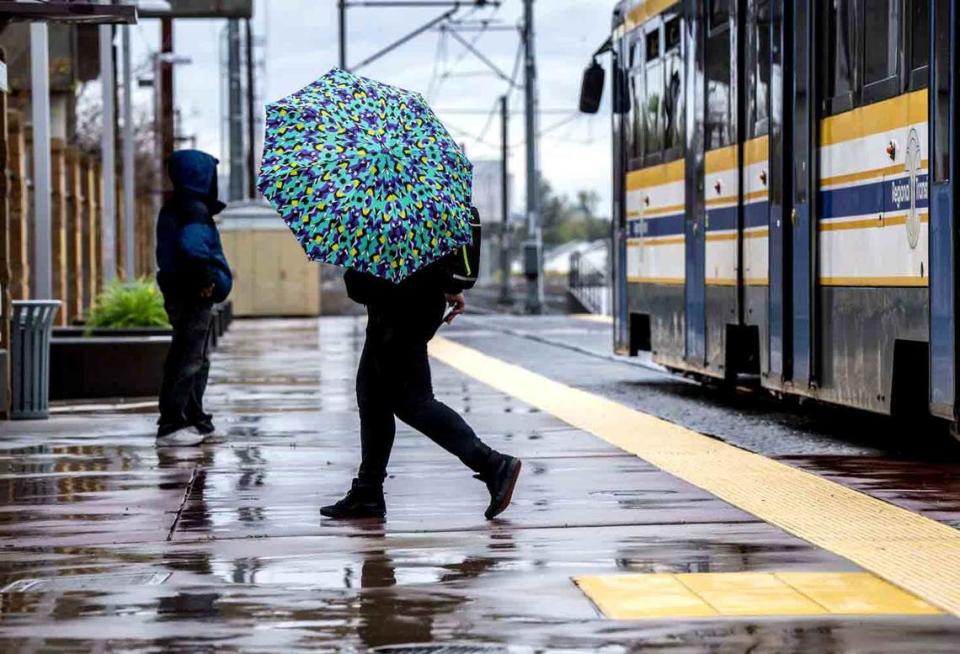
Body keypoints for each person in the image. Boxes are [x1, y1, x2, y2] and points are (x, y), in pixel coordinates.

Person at [321, 230, 522, 521]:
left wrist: (356, 266)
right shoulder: (415, 202)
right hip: (404, 306)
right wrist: (445, 284)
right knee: (373, 396)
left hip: (399, 310)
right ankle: (368, 491)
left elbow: (362, 282)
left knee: (412, 402)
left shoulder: (388, 205)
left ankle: (493, 464)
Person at [155, 150, 233, 447]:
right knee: (187, 358)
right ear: (201, 176)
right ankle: (172, 423)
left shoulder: (182, 207)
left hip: (184, 289)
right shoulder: (193, 210)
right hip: (191, 292)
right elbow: (193, 248)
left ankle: (194, 418)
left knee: (195, 357)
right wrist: (205, 280)